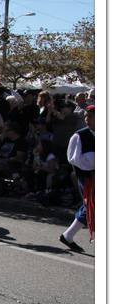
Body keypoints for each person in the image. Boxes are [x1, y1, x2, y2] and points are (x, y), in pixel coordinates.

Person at [60, 105, 94, 252]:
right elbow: (74, 159)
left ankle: (68, 235)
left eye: (91, 116)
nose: (88, 119)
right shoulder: (79, 136)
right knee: (94, 206)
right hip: (88, 178)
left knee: (90, 206)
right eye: (87, 116)